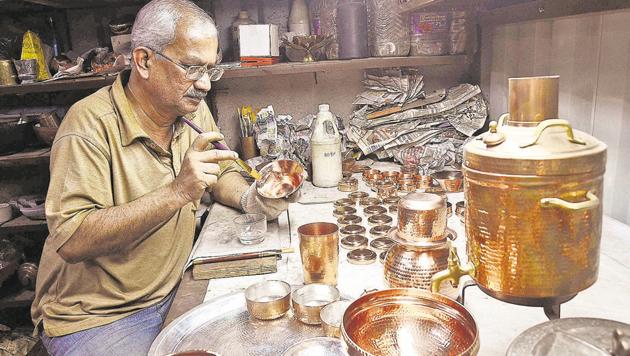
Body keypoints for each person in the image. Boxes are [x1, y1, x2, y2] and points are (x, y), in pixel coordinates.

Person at [31, 1, 298, 355]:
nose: (203, 84)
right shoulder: (88, 127)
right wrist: (177, 192)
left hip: (173, 287)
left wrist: (255, 198)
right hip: (99, 317)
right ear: (143, 60)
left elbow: (219, 171)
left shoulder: (190, 108)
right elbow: (72, 240)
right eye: (191, 68)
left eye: (210, 70)